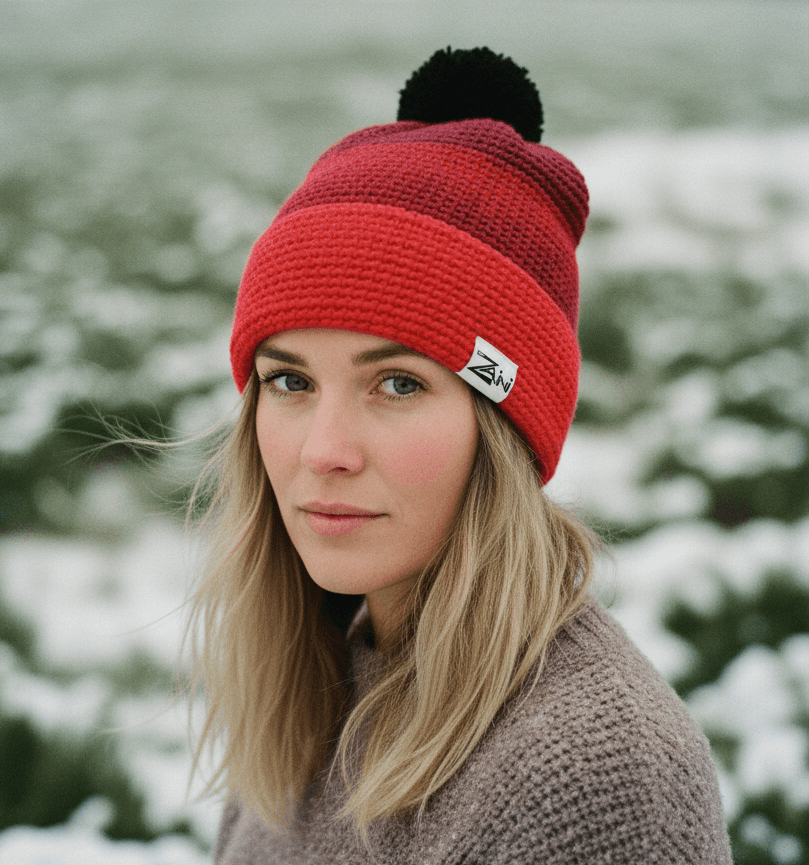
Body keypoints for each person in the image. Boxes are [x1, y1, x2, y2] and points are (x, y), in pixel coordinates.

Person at [190, 47, 733, 863]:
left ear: (505, 428)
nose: (324, 450)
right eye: (290, 380)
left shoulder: (597, 780)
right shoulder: (313, 681)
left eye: (398, 384)